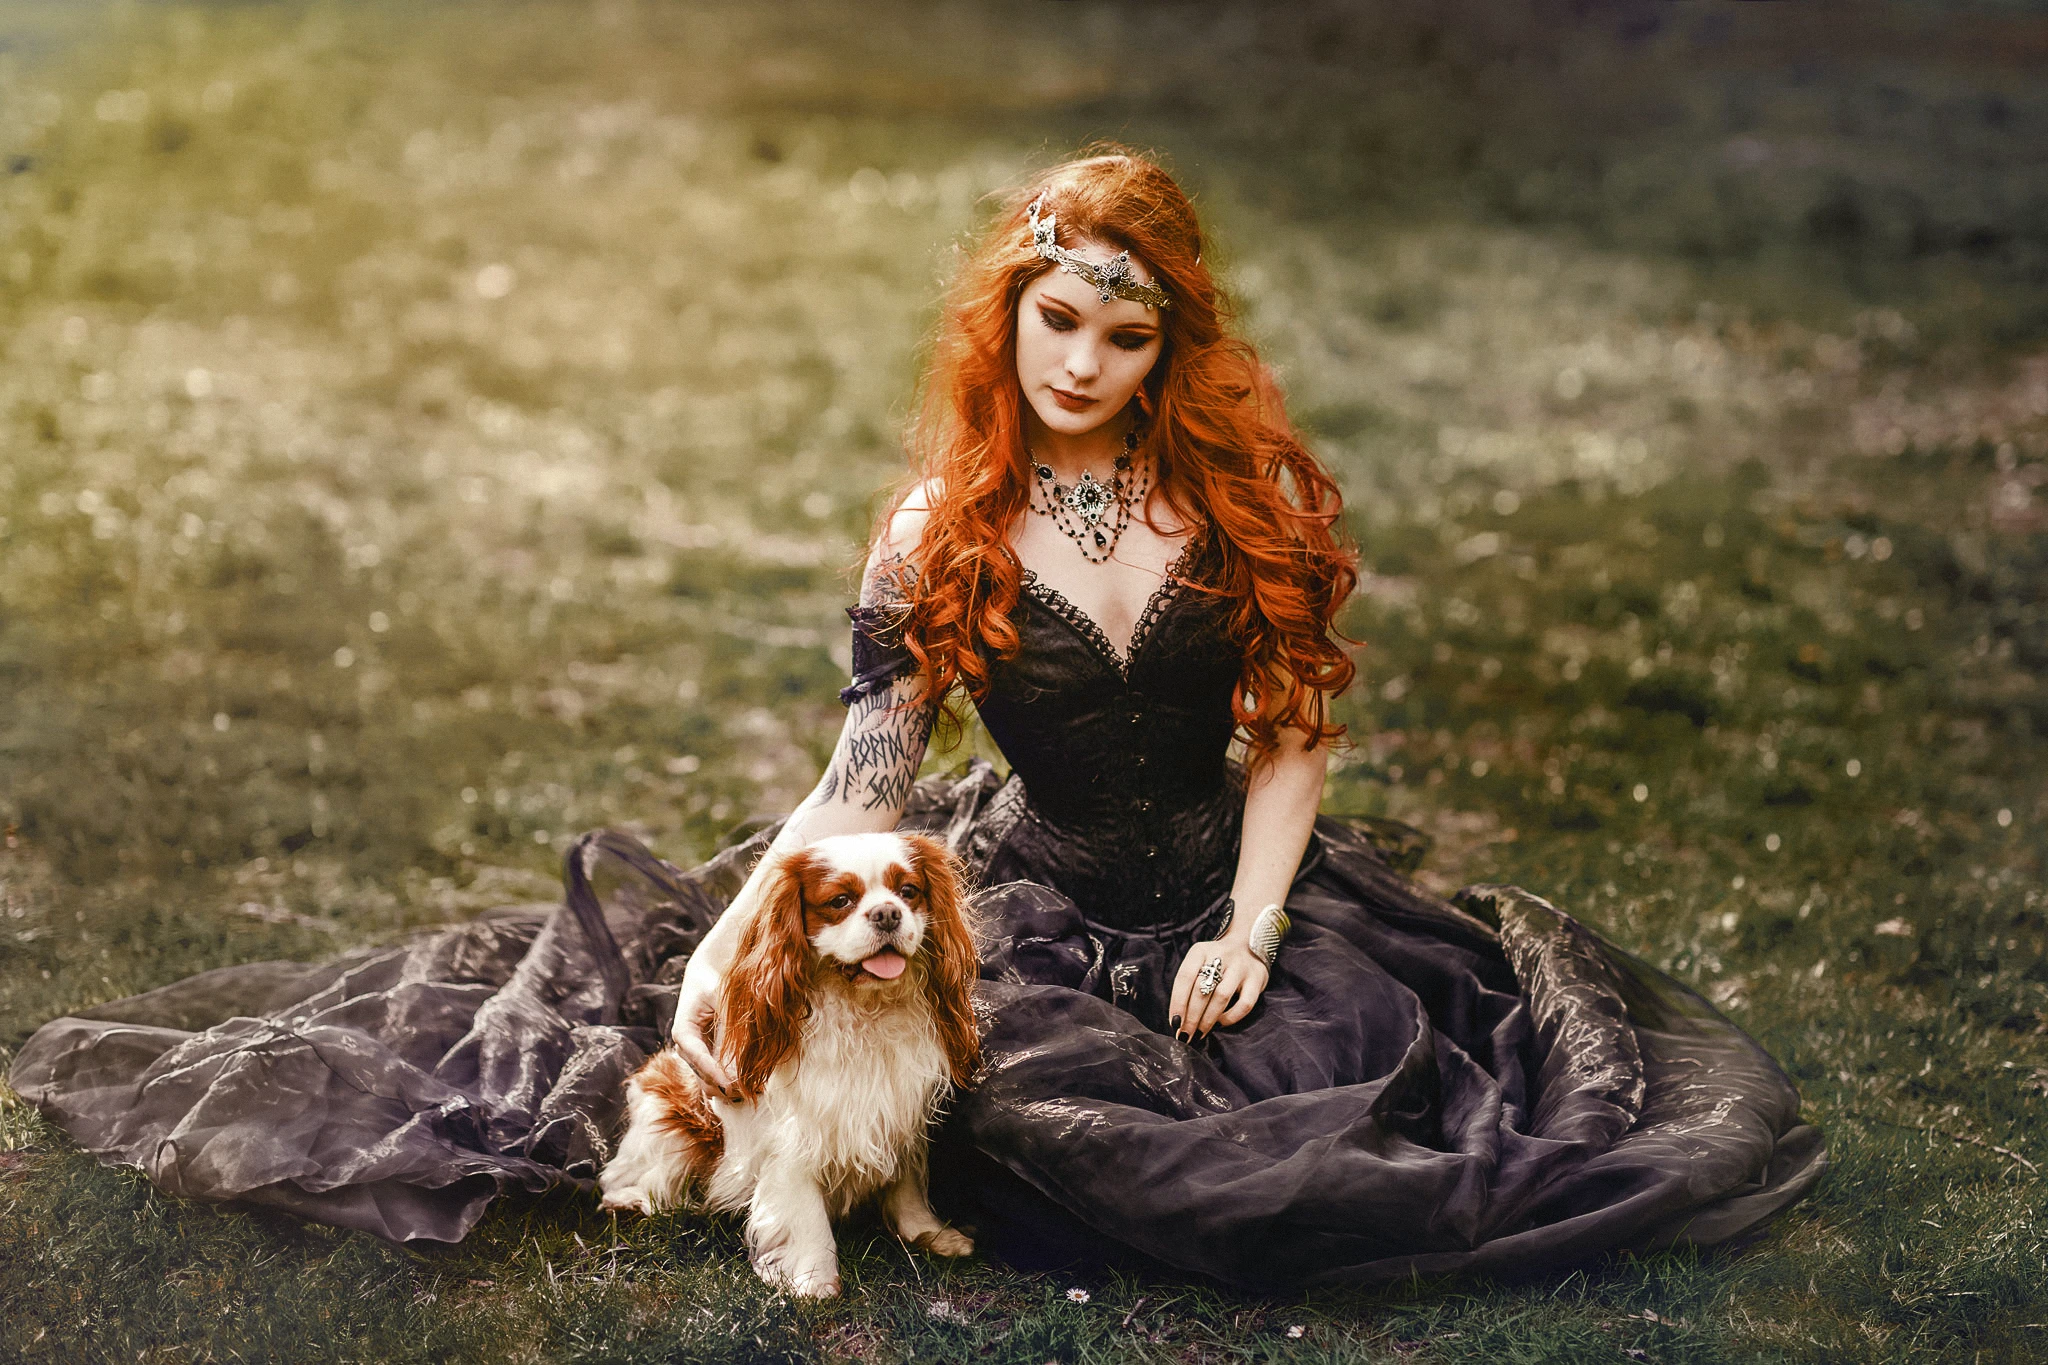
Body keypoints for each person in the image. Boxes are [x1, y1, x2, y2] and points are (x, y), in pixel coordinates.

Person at [10, 149, 1824, 1289]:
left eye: (1123, 340)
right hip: (1034, 898)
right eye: (1056, 323)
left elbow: (1290, 738)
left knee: (1358, 1114)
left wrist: (1256, 929)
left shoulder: (1241, 504)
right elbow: (871, 771)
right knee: (998, 1099)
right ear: (1012, 315)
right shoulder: (944, 528)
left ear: (1172, 350)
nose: (1081, 366)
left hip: (1233, 889)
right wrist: (743, 920)